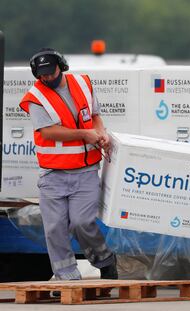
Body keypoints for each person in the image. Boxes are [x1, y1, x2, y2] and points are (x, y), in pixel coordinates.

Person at [19, 48, 118, 281]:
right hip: (53, 174)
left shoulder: (83, 84)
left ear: (61, 66)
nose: (46, 78)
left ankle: (104, 259)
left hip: (85, 171)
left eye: (50, 72)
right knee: (55, 228)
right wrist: (85, 135)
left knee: (83, 223)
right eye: (41, 75)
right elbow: (49, 132)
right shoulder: (35, 98)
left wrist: (100, 133)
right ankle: (67, 277)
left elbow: (94, 116)